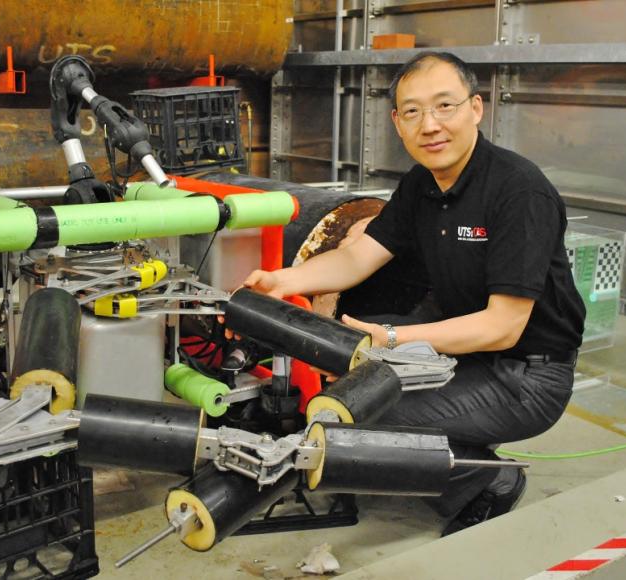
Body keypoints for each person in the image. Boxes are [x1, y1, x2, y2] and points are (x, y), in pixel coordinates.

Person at [240, 51, 585, 535]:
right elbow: (360, 257)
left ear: (476, 109)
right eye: (413, 111)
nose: (430, 125)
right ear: (396, 122)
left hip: (526, 376)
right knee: (344, 391)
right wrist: (284, 280)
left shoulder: (519, 191)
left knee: (354, 413)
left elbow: (503, 326)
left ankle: (487, 481)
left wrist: (390, 338)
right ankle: (464, 448)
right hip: (468, 355)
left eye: (445, 106)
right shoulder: (422, 184)